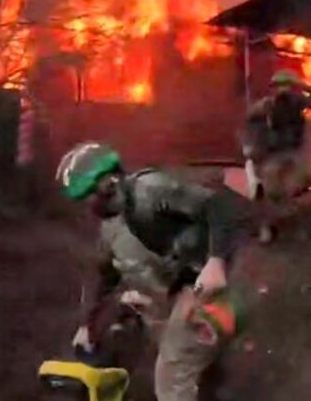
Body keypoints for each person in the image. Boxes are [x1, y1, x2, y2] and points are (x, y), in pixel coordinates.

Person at [57, 142, 252, 401]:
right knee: (158, 336)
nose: (86, 207)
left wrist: (216, 262)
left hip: (216, 285)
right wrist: (87, 324)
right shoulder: (114, 227)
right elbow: (103, 273)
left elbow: (217, 206)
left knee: (171, 375)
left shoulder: (150, 190)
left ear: (107, 184)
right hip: (181, 289)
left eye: (87, 197)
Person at [242, 70, 311, 232]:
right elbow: (250, 117)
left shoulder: (298, 102)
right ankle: (266, 226)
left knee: (300, 186)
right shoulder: (268, 104)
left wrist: (304, 87)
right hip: (274, 153)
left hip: (294, 151)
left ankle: (290, 223)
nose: (284, 89)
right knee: (271, 191)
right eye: (280, 86)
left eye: (287, 85)